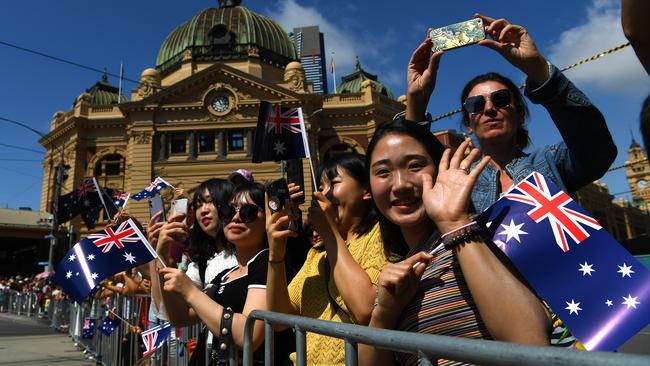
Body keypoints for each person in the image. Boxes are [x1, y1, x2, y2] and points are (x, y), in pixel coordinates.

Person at [357, 119, 551, 366]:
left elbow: (531, 345)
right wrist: (384, 313)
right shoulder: (395, 277)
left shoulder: (485, 235)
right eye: (383, 172)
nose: (401, 184)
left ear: (440, 169)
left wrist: (454, 224)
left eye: (415, 166)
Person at [408, 14, 616, 214]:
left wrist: (537, 69)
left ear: (520, 115)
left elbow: (597, 150)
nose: (489, 109)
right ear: (468, 123)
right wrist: (416, 101)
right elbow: (409, 176)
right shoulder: (454, 179)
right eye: (476, 104)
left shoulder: (552, 161)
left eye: (500, 100)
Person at [266, 152, 392, 365]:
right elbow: (279, 318)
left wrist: (329, 233)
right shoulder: (317, 253)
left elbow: (364, 310)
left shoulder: (380, 234)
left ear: (366, 191)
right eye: (321, 186)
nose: (322, 193)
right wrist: (276, 253)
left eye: (333, 183)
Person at [158, 182, 293, 365]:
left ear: (269, 218)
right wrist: (160, 256)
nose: (235, 218)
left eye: (248, 212)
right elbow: (180, 317)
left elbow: (249, 335)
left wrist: (191, 292)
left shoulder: (267, 262)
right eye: (228, 212)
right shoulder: (225, 274)